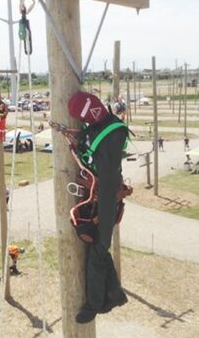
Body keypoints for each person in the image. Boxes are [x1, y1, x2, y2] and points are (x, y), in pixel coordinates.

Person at [68, 91, 129, 324]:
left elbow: (108, 178)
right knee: (98, 251)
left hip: (104, 200)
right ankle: (114, 294)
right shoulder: (104, 126)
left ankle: (93, 305)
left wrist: (102, 217)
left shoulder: (110, 134)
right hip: (96, 197)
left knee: (98, 252)